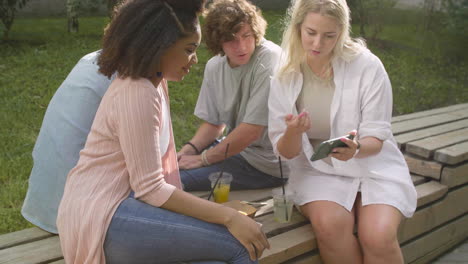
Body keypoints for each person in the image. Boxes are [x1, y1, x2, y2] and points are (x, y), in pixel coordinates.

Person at [56, 0, 269, 263]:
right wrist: (227, 216)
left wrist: (216, 213)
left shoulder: (153, 85)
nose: (195, 59)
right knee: (239, 243)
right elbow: (151, 188)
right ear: (159, 47)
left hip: (127, 202)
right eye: (189, 49)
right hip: (102, 212)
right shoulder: (138, 92)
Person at [268, 0, 417, 263]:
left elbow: (375, 136)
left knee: (378, 235)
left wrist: (357, 148)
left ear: (342, 32)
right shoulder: (285, 73)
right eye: (311, 33)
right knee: (331, 225)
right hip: (318, 171)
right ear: (298, 27)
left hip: (373, 166)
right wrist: (292, 132)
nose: (317, 44)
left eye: (329, 36)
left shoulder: (368, 66)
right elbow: (286, 152)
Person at [177, 0, 288, 191]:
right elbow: (214, 124)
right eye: (231, 39)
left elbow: (251, 131)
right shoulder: (214, 66)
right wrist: (188, 151)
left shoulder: (270, 60)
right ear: (217, 40)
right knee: (167, 171)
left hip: (266, 165)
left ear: (256, 32)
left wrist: (202, 159)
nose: (242, 46)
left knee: (175, 182)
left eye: (246, 36)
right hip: (236, 152)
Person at [21, 50, 114, 234]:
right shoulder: (133, 75)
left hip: (46, 204)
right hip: (80, 218)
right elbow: (152, 178)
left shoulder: (94, 59)